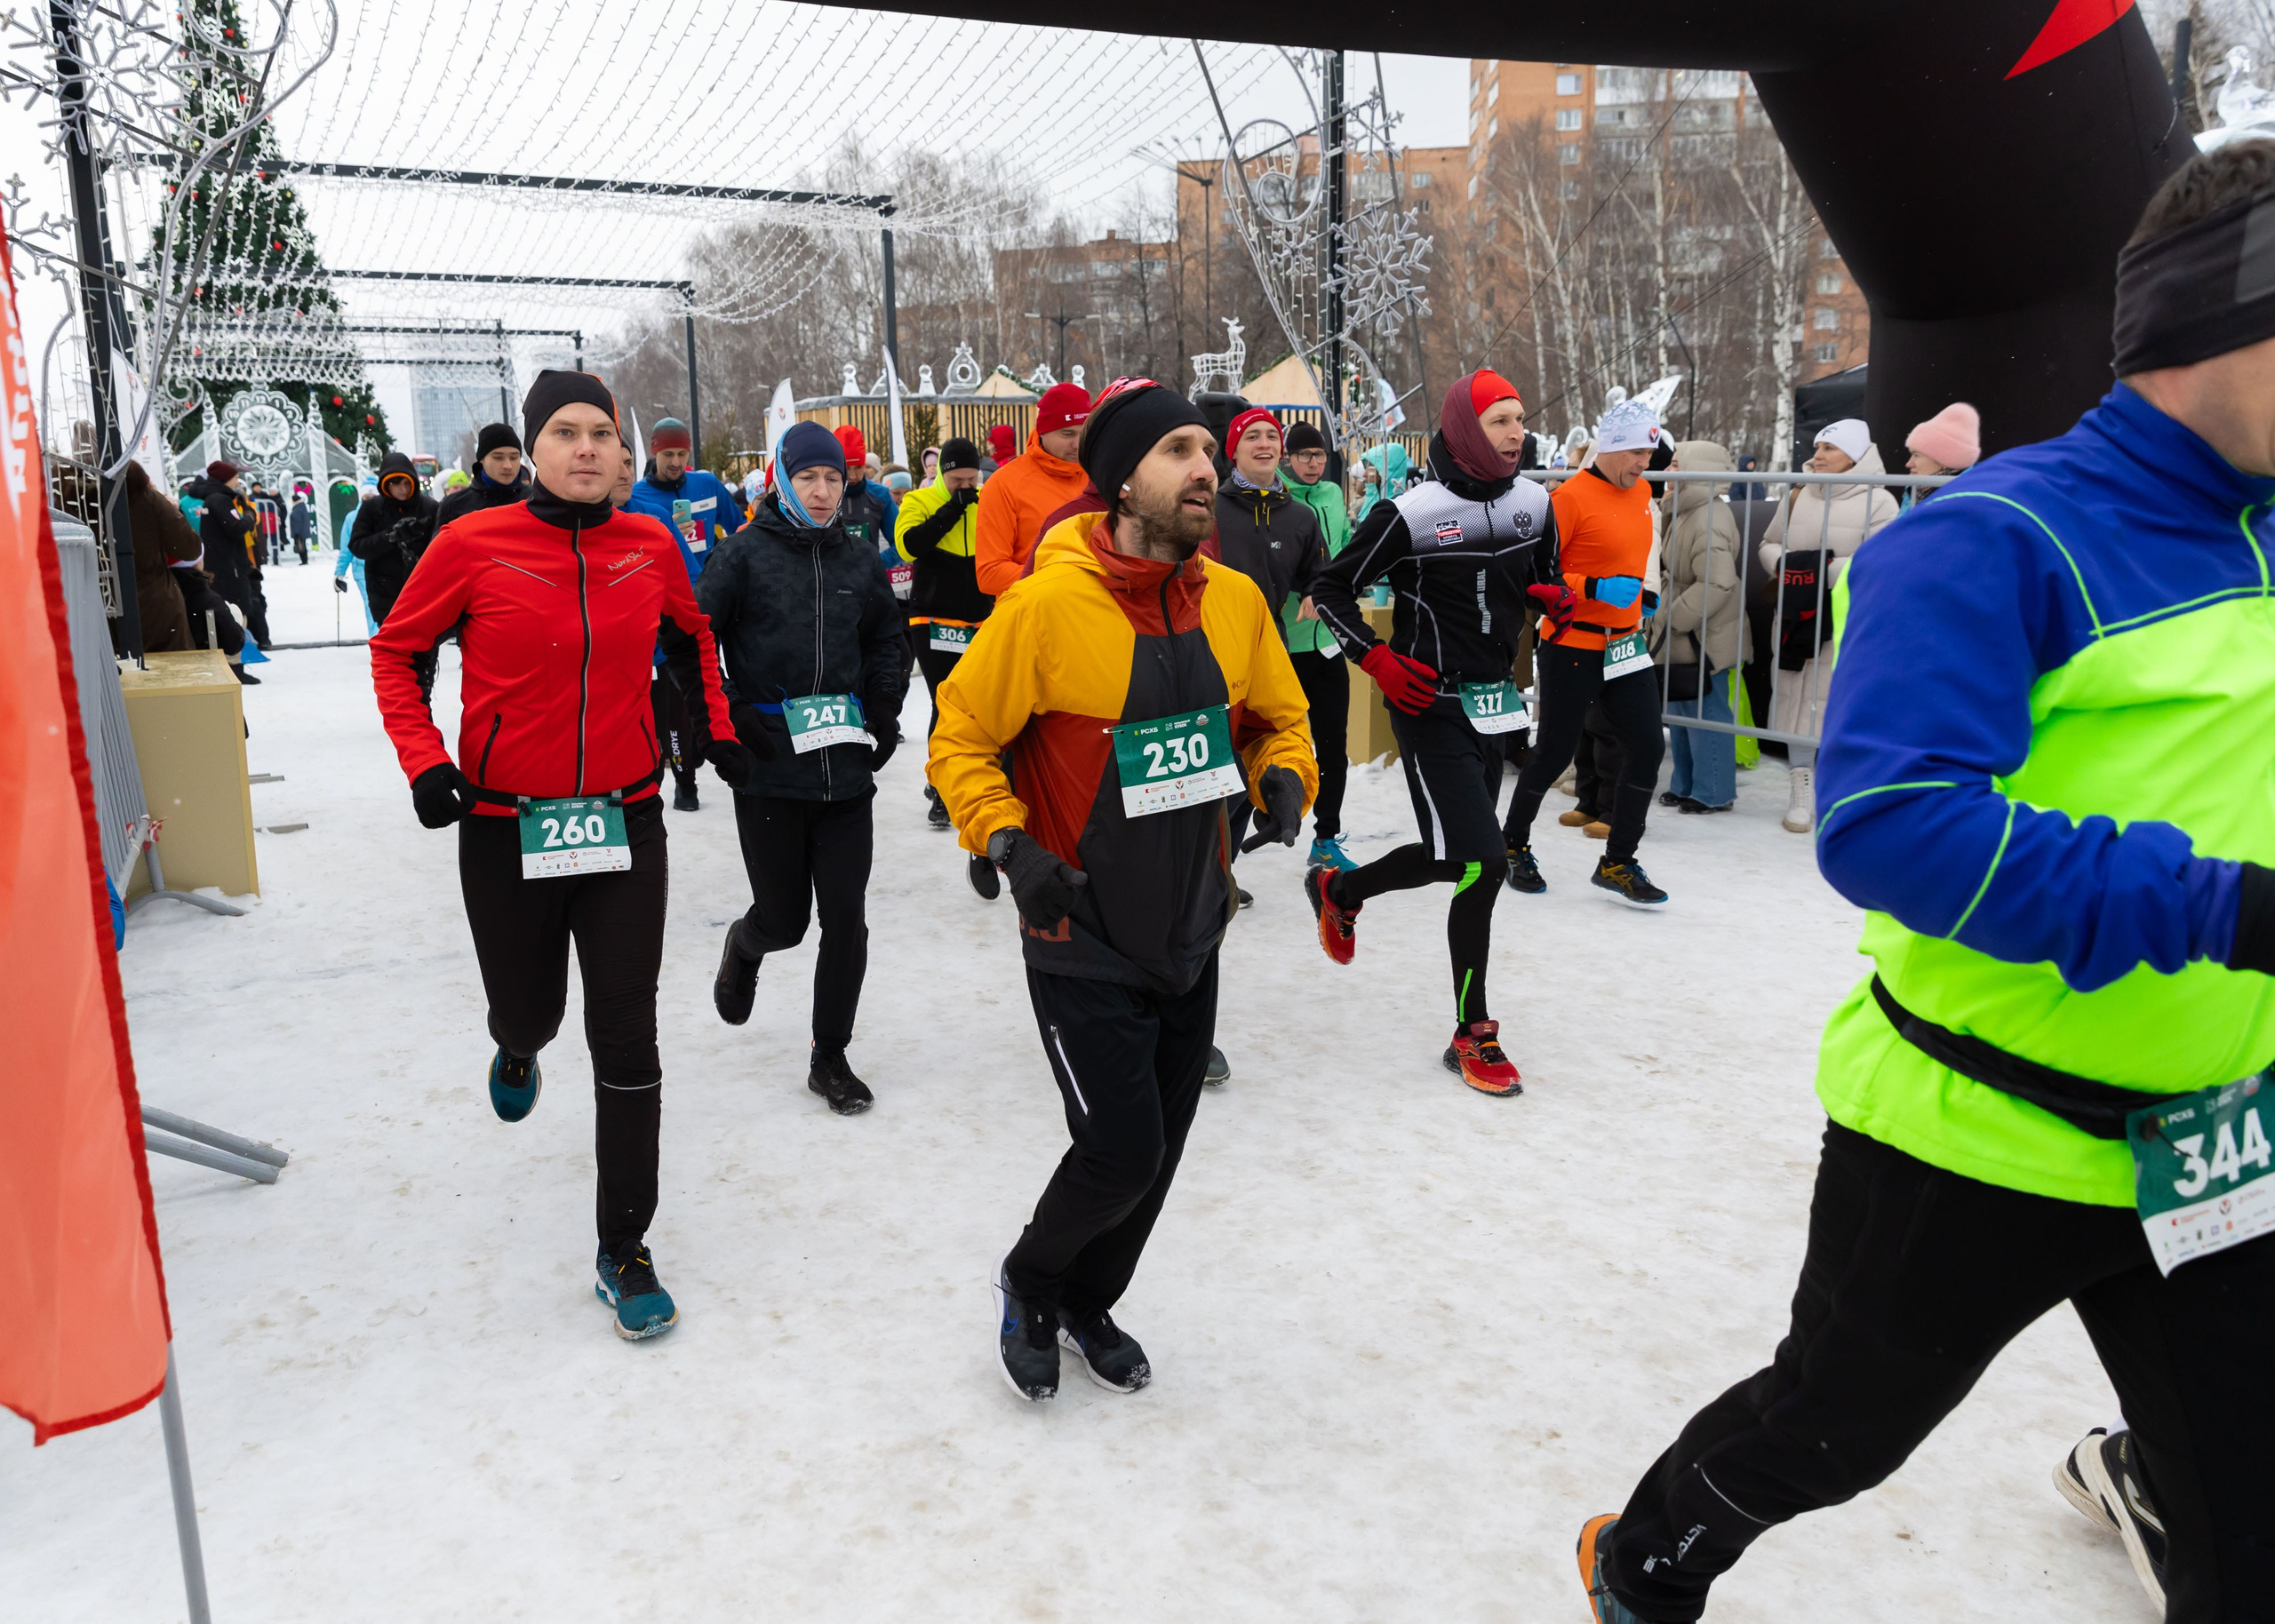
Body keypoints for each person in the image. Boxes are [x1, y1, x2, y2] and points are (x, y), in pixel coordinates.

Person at [1576, 139, 2275, 1624]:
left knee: (2256, 1507)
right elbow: (1894, 823)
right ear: (2219, 325)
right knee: (1832, 1429)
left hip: (2216, 1137)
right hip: (1981, 1130)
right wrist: (2232, 908)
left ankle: (2157, 1477)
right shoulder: (1998, 536)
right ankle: (1652, 1548)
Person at [928, 379, 1316, 1401]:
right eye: (1179, 451)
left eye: (1206, 450)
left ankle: (1089, 1299)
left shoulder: (1230, 601)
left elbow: (1284, 717)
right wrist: (1009, 848)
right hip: (1078, 927)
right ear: (1121, 482)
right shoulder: (1047, 605)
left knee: (1160, 1150)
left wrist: (1287, 776)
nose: (1204, 468)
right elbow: (959, 736)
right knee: (1119, 1146)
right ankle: (1028, 1281)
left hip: (1193, 925)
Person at [366, 369, 748, 1343]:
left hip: (623, 819)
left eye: (602, 434)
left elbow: (694, 638)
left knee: (627, 1035)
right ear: (531, 450)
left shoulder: (649, 542)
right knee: (533, 1009)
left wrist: (713, 728)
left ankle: (624, 1246)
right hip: (503, 823)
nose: (588, 449)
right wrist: (426, 763)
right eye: (567, 433)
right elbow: (396, 651)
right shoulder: (470, 542)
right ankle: (516, 1039)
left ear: (624, 453)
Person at [1309, 370, 1572, 1095]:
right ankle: (1473, 1033)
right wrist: (1377, 657)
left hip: (1494, 705)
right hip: (1427, 706)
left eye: (1520, 419)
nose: (1517, 433)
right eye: (1500, 421)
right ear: (1464, 429)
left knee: (1450, 857)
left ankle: (1343, 888)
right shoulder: (1410, 510)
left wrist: (1554, 596)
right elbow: (1328, 590)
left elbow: (1544, 574)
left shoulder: (1534, 502)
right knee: (1484, 864)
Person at [697, 422, 906, 1116]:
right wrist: (731, 718)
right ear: (782, 479)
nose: (823, 492)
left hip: (844, 767)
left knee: (847, 916)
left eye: (834, 478)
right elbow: (693, 642)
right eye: (809, 478)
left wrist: (883, 704)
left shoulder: (857, 556)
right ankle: (745, 945)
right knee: (786, 921)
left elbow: (886, 636)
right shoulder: (741, 556)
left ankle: (831, 1055)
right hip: (770, 770)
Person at [1501, 397, 1671, 905]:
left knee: (1648, 746)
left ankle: (1619, 860)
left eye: (1651, 454)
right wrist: (1592, 586)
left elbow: (1634, 556)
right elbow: (1535, 576)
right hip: (1572, 643)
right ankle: (1511, 846)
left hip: (1625, 645)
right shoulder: (1568, 499)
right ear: (1613, 447)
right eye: (1638, 452)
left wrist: (1644, 591)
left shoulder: (1641, 492)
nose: (1646, 464)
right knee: (1553, 752)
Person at [1759, 417, 1898, 834]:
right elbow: (1770, 543)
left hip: (1846, 620)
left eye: (1828, 449)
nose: (1816, 456)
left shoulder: (1882, 502)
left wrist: (1820, 571)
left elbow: (1879, 562)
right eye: (1816, 447)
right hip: (1796, 616)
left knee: (1841, 705)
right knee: (1795, 698)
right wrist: (1789, 567)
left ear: (1855, 455)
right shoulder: (1799, 494)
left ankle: (1841, 794)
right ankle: (1800, 788)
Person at [1212, 408, 1327, 872]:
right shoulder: (1208, 508)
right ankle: (1202, 870)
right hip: (1204, 647)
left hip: (1265, 649)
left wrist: (1317, 593)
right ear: (1233, 451)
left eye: (1271, 436)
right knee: (1212, 766)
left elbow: (1318, 573)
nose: (1265, 444)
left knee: (1248, 761)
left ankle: (1220, 871)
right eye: (1252, 436)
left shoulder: (1299, 516)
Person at [626, 417, 742, 811]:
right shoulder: (636, 495)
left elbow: (739, 527)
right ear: (655, 452)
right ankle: (683, 776)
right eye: (667, 453)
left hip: (709, 598)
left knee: (713, 680)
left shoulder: (707, 485)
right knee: (673, 696)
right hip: (660, 608)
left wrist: (725, 567)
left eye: (681, 454)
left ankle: (728, 746)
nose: (675, 461)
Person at [893, 436, 995, 883]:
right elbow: (909, 545)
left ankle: (968, 778)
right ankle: (941, 787)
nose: (966, 487)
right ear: (942, 474)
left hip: (979, 619)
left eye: (972, 480)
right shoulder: (918, 500)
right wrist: (953, 507)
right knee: (945, 699)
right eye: (957, 480)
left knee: (976, 701)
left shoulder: (988, 499)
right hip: (932, 617)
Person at [1279, 419, 1356, 870]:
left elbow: (1344, 546)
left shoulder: (1331, 494)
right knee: (1267, 742)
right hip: (1283, 644)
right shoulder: (1278, 497)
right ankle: (1233, 841)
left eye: (1319, 455)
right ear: (1289, 458)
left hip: (1326, 642)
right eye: (1304, 455)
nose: (1313, 463)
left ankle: (1326, 837)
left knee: (1333, 745)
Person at [1652, 442, 1743, 814]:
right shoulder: (1686, 510)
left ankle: (1714, 790)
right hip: (1688, 631)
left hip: (1704, 634)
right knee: (1685, 711)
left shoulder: (1709, 517)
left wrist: (1676, 616)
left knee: (1708, 713)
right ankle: (1687, 783)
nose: (1668, 472)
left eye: (1676, 464)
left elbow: (1718, 582)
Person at [973, 382, 1091, 596]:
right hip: (1033, 617)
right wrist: (1063, 579)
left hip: (1098, 615)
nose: (1077, 444)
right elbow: (990, 573)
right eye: (1067, 434)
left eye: (1083, 434)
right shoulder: (1004, 484)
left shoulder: (1101, 475)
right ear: (1043, 431)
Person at [349, 451, 444, 709]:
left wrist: (421, 546)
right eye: (394, 483)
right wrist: (390, 537)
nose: (402, 489)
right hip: (386, 596)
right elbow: (357, 546)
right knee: (397, 655)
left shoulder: (430, 507)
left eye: (405, 482)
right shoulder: (373, 509)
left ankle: (422, 696)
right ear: (385, 484)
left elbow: (444, 548)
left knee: (425, 652)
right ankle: (405, 702)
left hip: (424, 595)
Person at [122, 460, 198, 653]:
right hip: (154, 599)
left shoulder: (73, 501)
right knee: (170, 673)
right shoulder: (148, 499)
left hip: (95, 602)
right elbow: (189, 548)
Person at [196, 459, 271, 649]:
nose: (238, 483)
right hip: (229, 570)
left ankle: (238, 661)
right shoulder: (219, 500)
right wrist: (249, 516)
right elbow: (236, 528)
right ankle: (236, 664)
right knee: (237, 615)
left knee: (236, 614)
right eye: (236, 478)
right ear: (225, 480)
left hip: (224, 567)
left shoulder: (213, 499)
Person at [829, 426, 901, 565]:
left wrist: (877, 564)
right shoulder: (824, 495)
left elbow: (901, 541)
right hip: (832, 582)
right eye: (847, 468)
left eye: (858, 467)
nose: (852, 475)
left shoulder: (881, 495)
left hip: (870, 582)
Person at [437, 423, 531, 526]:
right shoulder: (454, 505)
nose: (508, 466)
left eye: (514, 458)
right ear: (482, 460)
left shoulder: (536, 499)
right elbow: (442, 541)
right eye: (498, 458)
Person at [1901, 401, 1982, 513]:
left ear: (1944, 460)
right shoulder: (1915, 490)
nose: (1908, 464)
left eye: (1916, 455)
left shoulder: (1965, 500)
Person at [333, 477, 376, 636]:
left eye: (372, 498)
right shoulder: (352, 518)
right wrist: (340, 572)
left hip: (387, 568)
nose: (368, 501)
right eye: (366, 498)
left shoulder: (384, 515)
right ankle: (378, 644)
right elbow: (346, 548)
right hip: (362, 570)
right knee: (371, 606)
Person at [287, 489, 314, 565]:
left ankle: (304, 561)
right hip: (302, 530)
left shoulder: (297, 508)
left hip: (299, 531)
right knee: (302, 545)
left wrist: (296, 532)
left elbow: (297, 521)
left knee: (301, 546)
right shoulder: (301, 506)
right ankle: (304, 560)